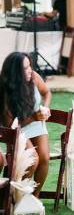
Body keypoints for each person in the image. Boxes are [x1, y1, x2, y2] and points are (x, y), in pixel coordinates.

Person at [0, 52, 51, 197]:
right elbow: (11, 124)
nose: (29, 71)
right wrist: (34, 117)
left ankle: (34, 196)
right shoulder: (5, 89)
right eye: (25, 69)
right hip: (16, 128)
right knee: (32, 159)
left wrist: (45, 108)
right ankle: (17, 195)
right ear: (15, 73)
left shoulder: (33, 77)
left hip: (35, 122)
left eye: (29, 66)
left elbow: (47, 92)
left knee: (44, 158)